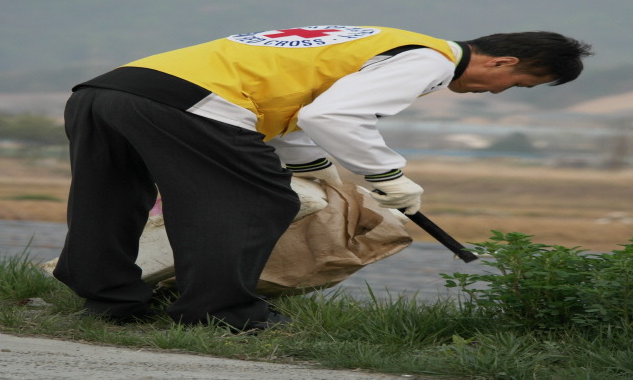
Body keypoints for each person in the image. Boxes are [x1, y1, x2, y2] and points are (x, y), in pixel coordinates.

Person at [54, 25, 592, 329]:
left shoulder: (381, 39)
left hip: (109, 91)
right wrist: (390, 178)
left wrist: (315, 164)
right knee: (258, 200)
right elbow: (332, 116)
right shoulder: (427, 60)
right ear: (503, 62)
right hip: (195, 104)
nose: (500, 93)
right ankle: (219, 311)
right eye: (519, 84)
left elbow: (295, 105)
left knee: (112, 195)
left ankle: (109, 299)